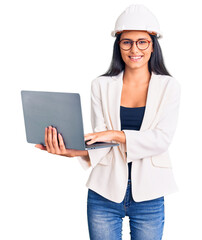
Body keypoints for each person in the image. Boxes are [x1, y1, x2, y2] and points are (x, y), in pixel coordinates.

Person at [35, 4, 181, 240]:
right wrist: (75, 152)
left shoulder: (169, 87)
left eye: (142, 41)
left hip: (149, 194)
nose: (135, 49)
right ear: (118, 45)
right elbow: (102, 141)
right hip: (104, 192)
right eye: (127, 42)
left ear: (153, 45)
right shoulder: (101, 85)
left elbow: (161, 140)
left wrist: (116, 135)